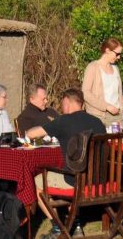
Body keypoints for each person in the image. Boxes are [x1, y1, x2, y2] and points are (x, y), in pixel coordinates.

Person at [27, 89, 105, 236]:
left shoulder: (63, 121)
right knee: (71, 171)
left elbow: (31, 134)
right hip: (97, 180)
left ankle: (57, 227)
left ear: (67, 102)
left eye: (62, 103)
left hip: (74, 181)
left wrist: (26, 132)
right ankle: (75, 224)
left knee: (37, 182)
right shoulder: (98, 122)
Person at [82, 37, 123, 127]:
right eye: (117, 54)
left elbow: (119, 96)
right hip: (99, 118)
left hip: (118, 117)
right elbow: (85, 93)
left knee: (119, 141)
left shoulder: (116, 69)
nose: (119, 57)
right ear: (107, 50)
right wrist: (106, 106)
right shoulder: (93, 67)